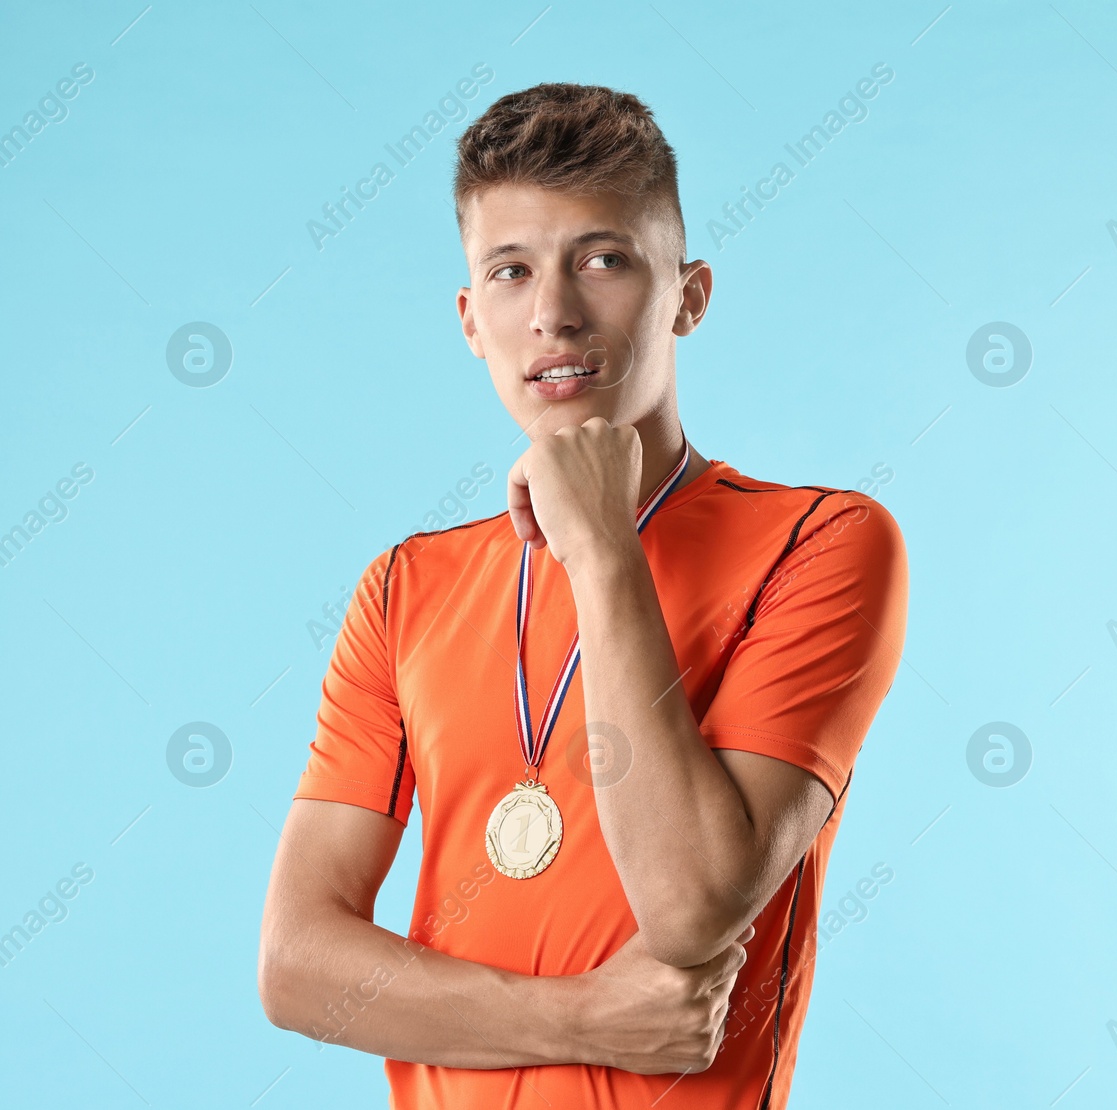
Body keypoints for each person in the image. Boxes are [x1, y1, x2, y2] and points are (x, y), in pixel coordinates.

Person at [257, 81, 909, 1110]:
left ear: (688, 295)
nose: (553, 313)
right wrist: (575, 1020)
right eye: (510, 272)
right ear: (472, 320)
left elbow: (692, 906)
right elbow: (297, 967)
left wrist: (602, 548)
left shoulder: (820, 544)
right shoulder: (405, 586)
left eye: (601, 259)